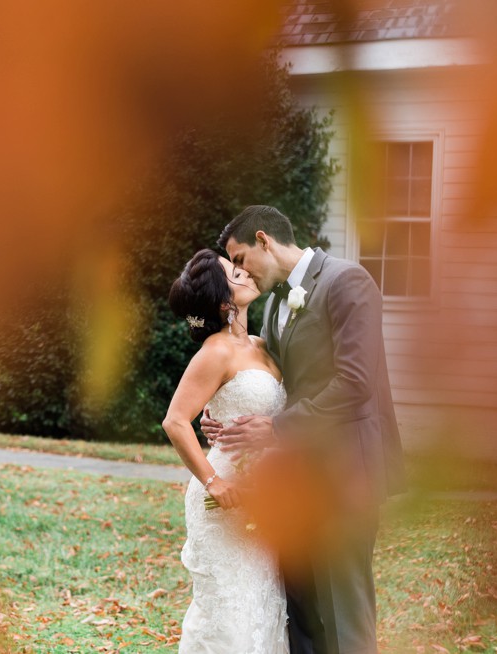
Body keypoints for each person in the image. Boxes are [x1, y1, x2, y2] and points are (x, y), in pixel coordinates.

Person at [202, 205, 406, 654]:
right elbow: (271, 380)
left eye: (238, 260)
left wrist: (276, 427)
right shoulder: (275, 301)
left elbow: (356, 382)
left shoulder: (348, 282)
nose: (239, 273)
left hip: (346, 475)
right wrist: (219, 405)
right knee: (301, 610)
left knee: (343, 613)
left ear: (263, 240)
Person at [163, 248, 290, 653]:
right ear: (222, 301)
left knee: (262, 607)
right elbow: (175, 420)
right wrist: (213, 482)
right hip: (226, 500)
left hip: (264, 499)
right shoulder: (216, 350)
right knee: (231, 615)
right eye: (234, 273)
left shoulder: (260, 344)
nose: (245, 272)